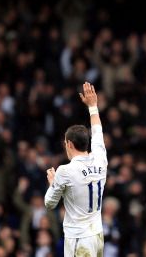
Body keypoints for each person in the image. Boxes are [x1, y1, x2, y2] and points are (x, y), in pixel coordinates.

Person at [44, 82, 108, 257]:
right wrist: (93, 106)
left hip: (79, 239)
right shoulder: (100, 159)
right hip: (97, 235)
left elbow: (49, 203)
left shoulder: (65, 171)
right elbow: (97, 132)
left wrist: (53, 183)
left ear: (69, 144)